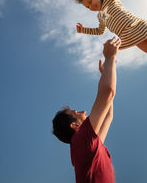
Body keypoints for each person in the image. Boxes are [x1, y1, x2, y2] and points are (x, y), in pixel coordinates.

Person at [52, 37, 121, 183]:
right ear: (75, 126)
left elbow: (108, 115)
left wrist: (106, 73)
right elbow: (108, 92)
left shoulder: (87, 144)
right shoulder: (82, 140)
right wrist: (110, 58)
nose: (83, 111)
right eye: (77, 113)